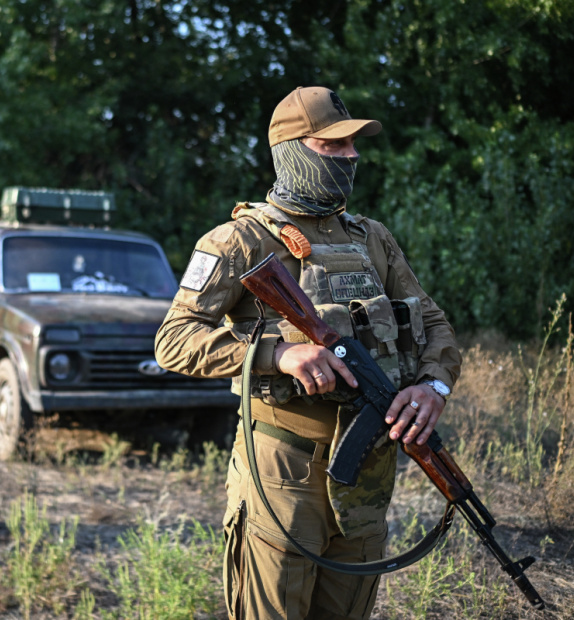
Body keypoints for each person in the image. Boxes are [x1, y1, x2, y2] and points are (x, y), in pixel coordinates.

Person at [154, 86, 462, 619]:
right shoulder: (239, 241)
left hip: (366, 474)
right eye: (334, 146)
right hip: (283, 470)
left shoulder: (372, 239)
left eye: (353, 147)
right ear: (294, 150)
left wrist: (432, 385)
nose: (352, 157)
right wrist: (278, 355)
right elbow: (173, 340)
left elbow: (432, 321)